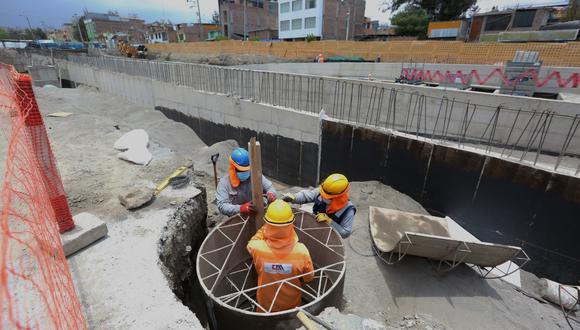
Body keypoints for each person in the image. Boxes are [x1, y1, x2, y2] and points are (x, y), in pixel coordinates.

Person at [246, 200, 314, 312]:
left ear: (268, 224)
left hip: (265, 306)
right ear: (291, 224)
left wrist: (265, 229)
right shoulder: (302, 251)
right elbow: (308, 278)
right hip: (292, 307)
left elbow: (252, 241)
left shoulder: (257, 248)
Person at [282, 173, 355, 238]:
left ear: (339, 197)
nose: (323, 197)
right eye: (323, 194)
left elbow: (346, 232)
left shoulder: (348, 209)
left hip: (330, 237)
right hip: (314, 225)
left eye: (327, 197)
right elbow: (306, 196)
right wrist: (294, 198)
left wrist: (330, 221)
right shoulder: (323, 191)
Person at [216, 147, 277, 217]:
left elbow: (270, 187)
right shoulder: (224, 183)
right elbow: (222, 205)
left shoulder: (256, 175)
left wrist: (271, 193)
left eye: (246, 170)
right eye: (241, 170)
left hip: (256, 214)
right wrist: (240, 208)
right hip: (238, 217)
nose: (244, 173)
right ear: (233, 167)